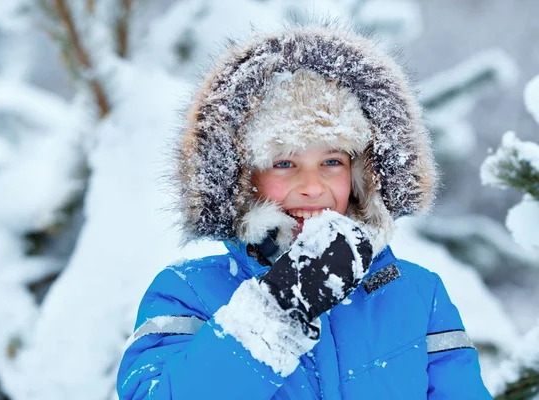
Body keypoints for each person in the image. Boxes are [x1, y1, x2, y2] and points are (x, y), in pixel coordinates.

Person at [117, 24, 492, 399]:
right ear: (244, 179)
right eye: (283, 163)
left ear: (362, 174)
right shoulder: (189, 292)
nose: (312, 187)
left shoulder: (417, 294)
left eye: (331, 160)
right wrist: (275, 310)